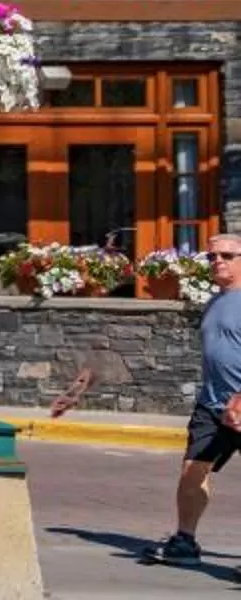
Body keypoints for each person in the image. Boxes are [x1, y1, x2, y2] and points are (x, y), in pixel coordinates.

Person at [154, 232, 241, 565]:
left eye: (227, 256)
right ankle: (185, 541)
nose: (217, 261)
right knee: (193, 471)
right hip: (212, 404)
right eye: (212, 256)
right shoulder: (215, 301)